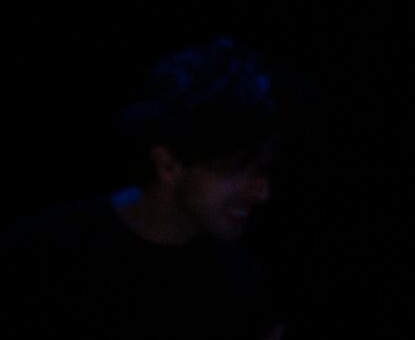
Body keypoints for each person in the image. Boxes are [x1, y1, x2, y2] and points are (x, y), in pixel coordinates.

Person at [0, 39, 285, 340]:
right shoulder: (42, 255)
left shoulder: (246, 287)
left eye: (263, 170)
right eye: (237, 169)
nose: (262, 192)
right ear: (168, 165)